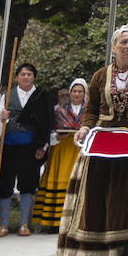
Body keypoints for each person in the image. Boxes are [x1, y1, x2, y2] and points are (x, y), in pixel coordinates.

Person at [58, 25, 128, 256]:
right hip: (103, 141)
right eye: (124, 42)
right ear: (114, 47)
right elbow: (92, 109)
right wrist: (84, 127)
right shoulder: (100, 76)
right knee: (97, 200)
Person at [0, 62, 53, 237]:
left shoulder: (41, 96)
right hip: (8, 146)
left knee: (28, 183)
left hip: (30, 147)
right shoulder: (6, 96)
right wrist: (1, 117)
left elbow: (47, 122)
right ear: (17, 76)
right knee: (5, 183)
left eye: (29, 74)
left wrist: (42, 146)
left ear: (34, 77)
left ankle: (24, 224)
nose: (26, 77)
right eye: (23, 74)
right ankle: (3, 225)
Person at [35, 78, 87, 233]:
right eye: (74, 91)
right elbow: (50, 130)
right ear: (70, 93)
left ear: (84, 93)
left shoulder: (90, 111)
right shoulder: (58, 110)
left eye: (80, 91)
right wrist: (57, 137)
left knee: (78, 183)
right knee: (60, 181)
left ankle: (77, 220)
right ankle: (55, 220)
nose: (77, 94)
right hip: (62, 149)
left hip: (80, 149)